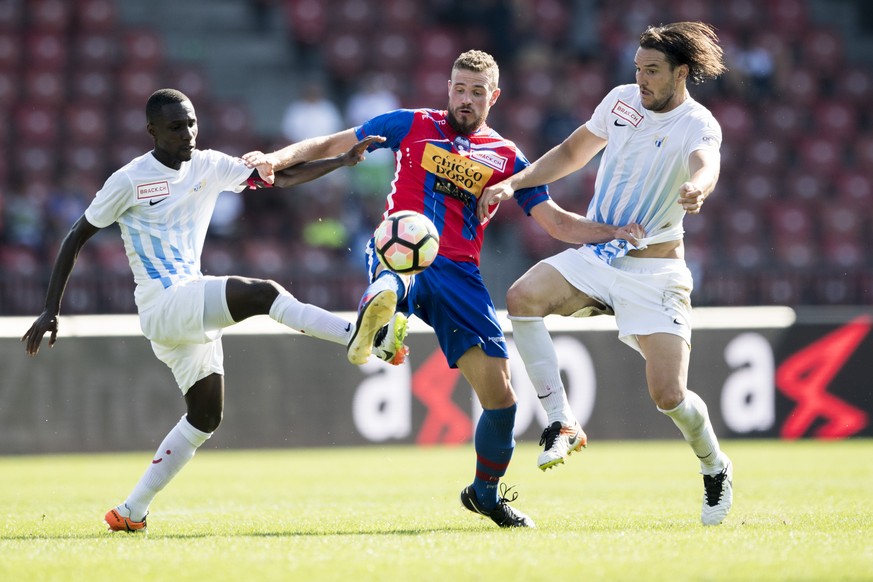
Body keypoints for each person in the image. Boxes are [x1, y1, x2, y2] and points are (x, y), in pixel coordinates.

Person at [245, 50, 641, 528]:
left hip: (460, 274)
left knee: (502, 401)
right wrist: (275, 157)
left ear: (494, 97)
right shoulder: (411, 123)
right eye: (459, 87)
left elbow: (555, 222)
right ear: (447, 87)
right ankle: (387, 312)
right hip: (402, 243)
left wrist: (611, 232)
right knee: (399, 262)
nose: (465, 99)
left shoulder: (509, 158)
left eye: (477, 91)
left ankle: (484, 493)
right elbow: (333, 142)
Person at [21, 88, 407, 532]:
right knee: (263, 293)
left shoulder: (209, 164)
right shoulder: (129, 180)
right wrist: (51, 308)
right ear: (152, 131)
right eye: (174, 126)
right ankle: (365, 337)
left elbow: (277, 179)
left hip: (187, 310)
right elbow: (75, 235)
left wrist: (339, 162)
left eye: (190, 123)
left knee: (205, 418)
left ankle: (131, 511)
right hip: (163, 303)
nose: (187, 133)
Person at [477, 22, 733, 526]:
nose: (642, 79)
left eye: (653, 71)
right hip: (599, 254)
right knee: (521, 297)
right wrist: (515, 183)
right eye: (638, 68)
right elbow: (572, 153)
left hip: (654, 271)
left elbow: (707, 163)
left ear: (681, 73)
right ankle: (562, 420)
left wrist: (699, 187)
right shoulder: (619, 101)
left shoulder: (697, 123)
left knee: (668, 395)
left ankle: (714, 465)